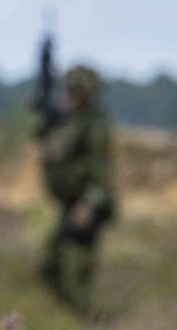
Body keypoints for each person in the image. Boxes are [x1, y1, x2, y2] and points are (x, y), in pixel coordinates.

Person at [36, 64, 117, 312]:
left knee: (76, 274)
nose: (67, 95)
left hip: (86, 207)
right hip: (71, 204)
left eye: (72, 91)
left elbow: (100, 169)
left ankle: (93, 326)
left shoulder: (94, 126)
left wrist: (89, 204)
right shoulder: (71, 122)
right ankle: (76, 320)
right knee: (51, 268)